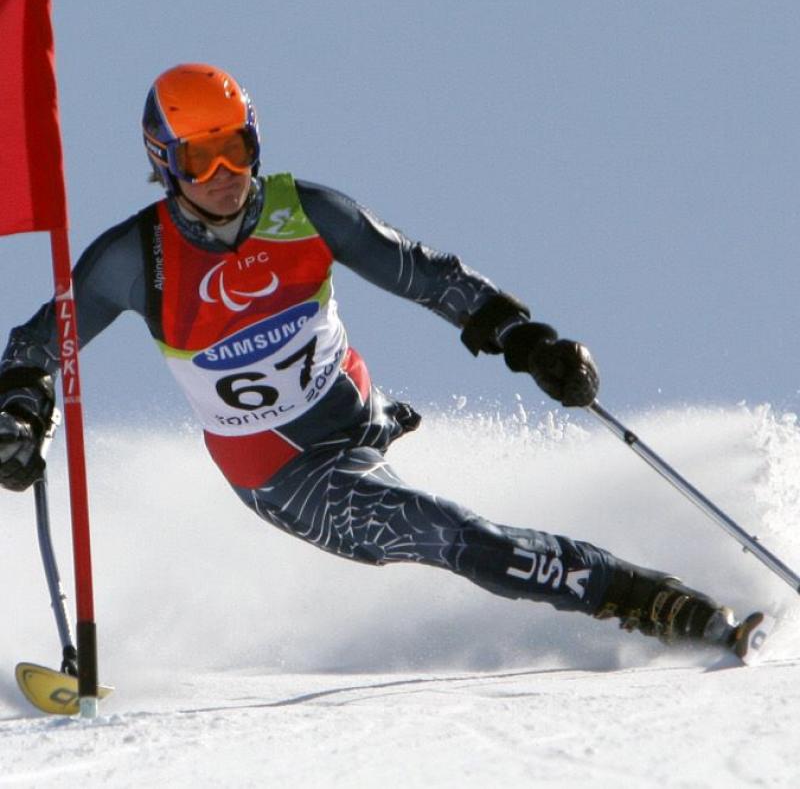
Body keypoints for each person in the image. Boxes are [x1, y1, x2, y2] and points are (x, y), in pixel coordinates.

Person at [0, 64, 759, 659]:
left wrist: (526, 337)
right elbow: (36, 346)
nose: (226, 172)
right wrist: (21, 410)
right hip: (289, 480)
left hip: (359, 417)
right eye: (202, 159)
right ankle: (647, 599)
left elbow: (427, 275)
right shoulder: (135, 260)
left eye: (239, 147)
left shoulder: (307, 212)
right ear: (165, 162)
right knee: (456, 535)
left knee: (450, 521)